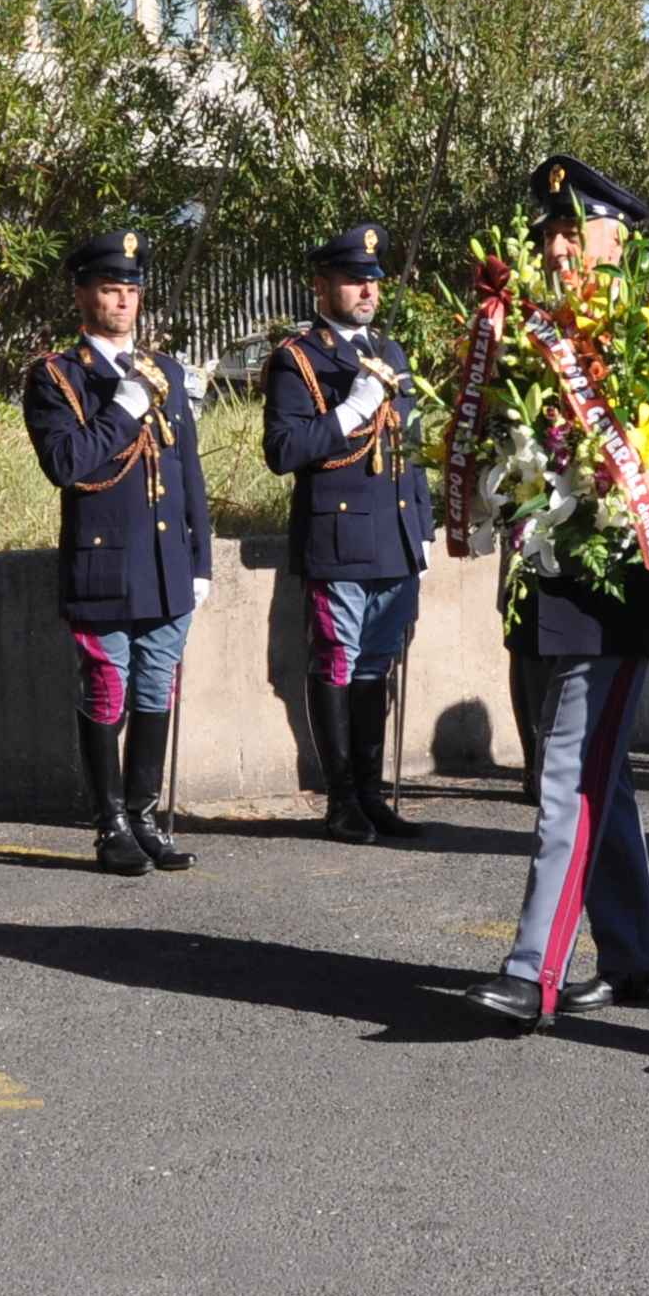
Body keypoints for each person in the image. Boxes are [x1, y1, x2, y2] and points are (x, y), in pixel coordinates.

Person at [464, 153, 649, 1031]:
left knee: (565, 781)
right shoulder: (523, 330)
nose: (555, 247)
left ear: (612, 238)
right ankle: (632, 959)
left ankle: (531, 970)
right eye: (546, 232)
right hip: (542, 590)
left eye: (569, 231)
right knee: (596, 777)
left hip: (612, 595)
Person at [23, 230, 211, 876]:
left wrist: (202, 557)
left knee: (158, 686)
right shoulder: (57, 375)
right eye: (110, 290)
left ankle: (144, 815)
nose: (123, 302)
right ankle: (107, 825)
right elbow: (66, 463)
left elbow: (187, 470)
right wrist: (126, 404)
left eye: (131, 290)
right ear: (81, 294)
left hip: (165, 566)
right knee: (108, 690)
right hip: (103, 563)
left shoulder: (168, 370)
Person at [263, 222, 432, 845]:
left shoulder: (391, 353)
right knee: (336, 662)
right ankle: (339, 799)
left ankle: (369, 790)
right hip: (338, 538)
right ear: (321, 286)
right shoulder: (298, 359)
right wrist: (351, 410)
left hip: (393, 535)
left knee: (375, 668)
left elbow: (409, 449)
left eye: (372, 281)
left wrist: (423, 524)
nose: (365, 291)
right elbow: (283, 451)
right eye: (352, 280)